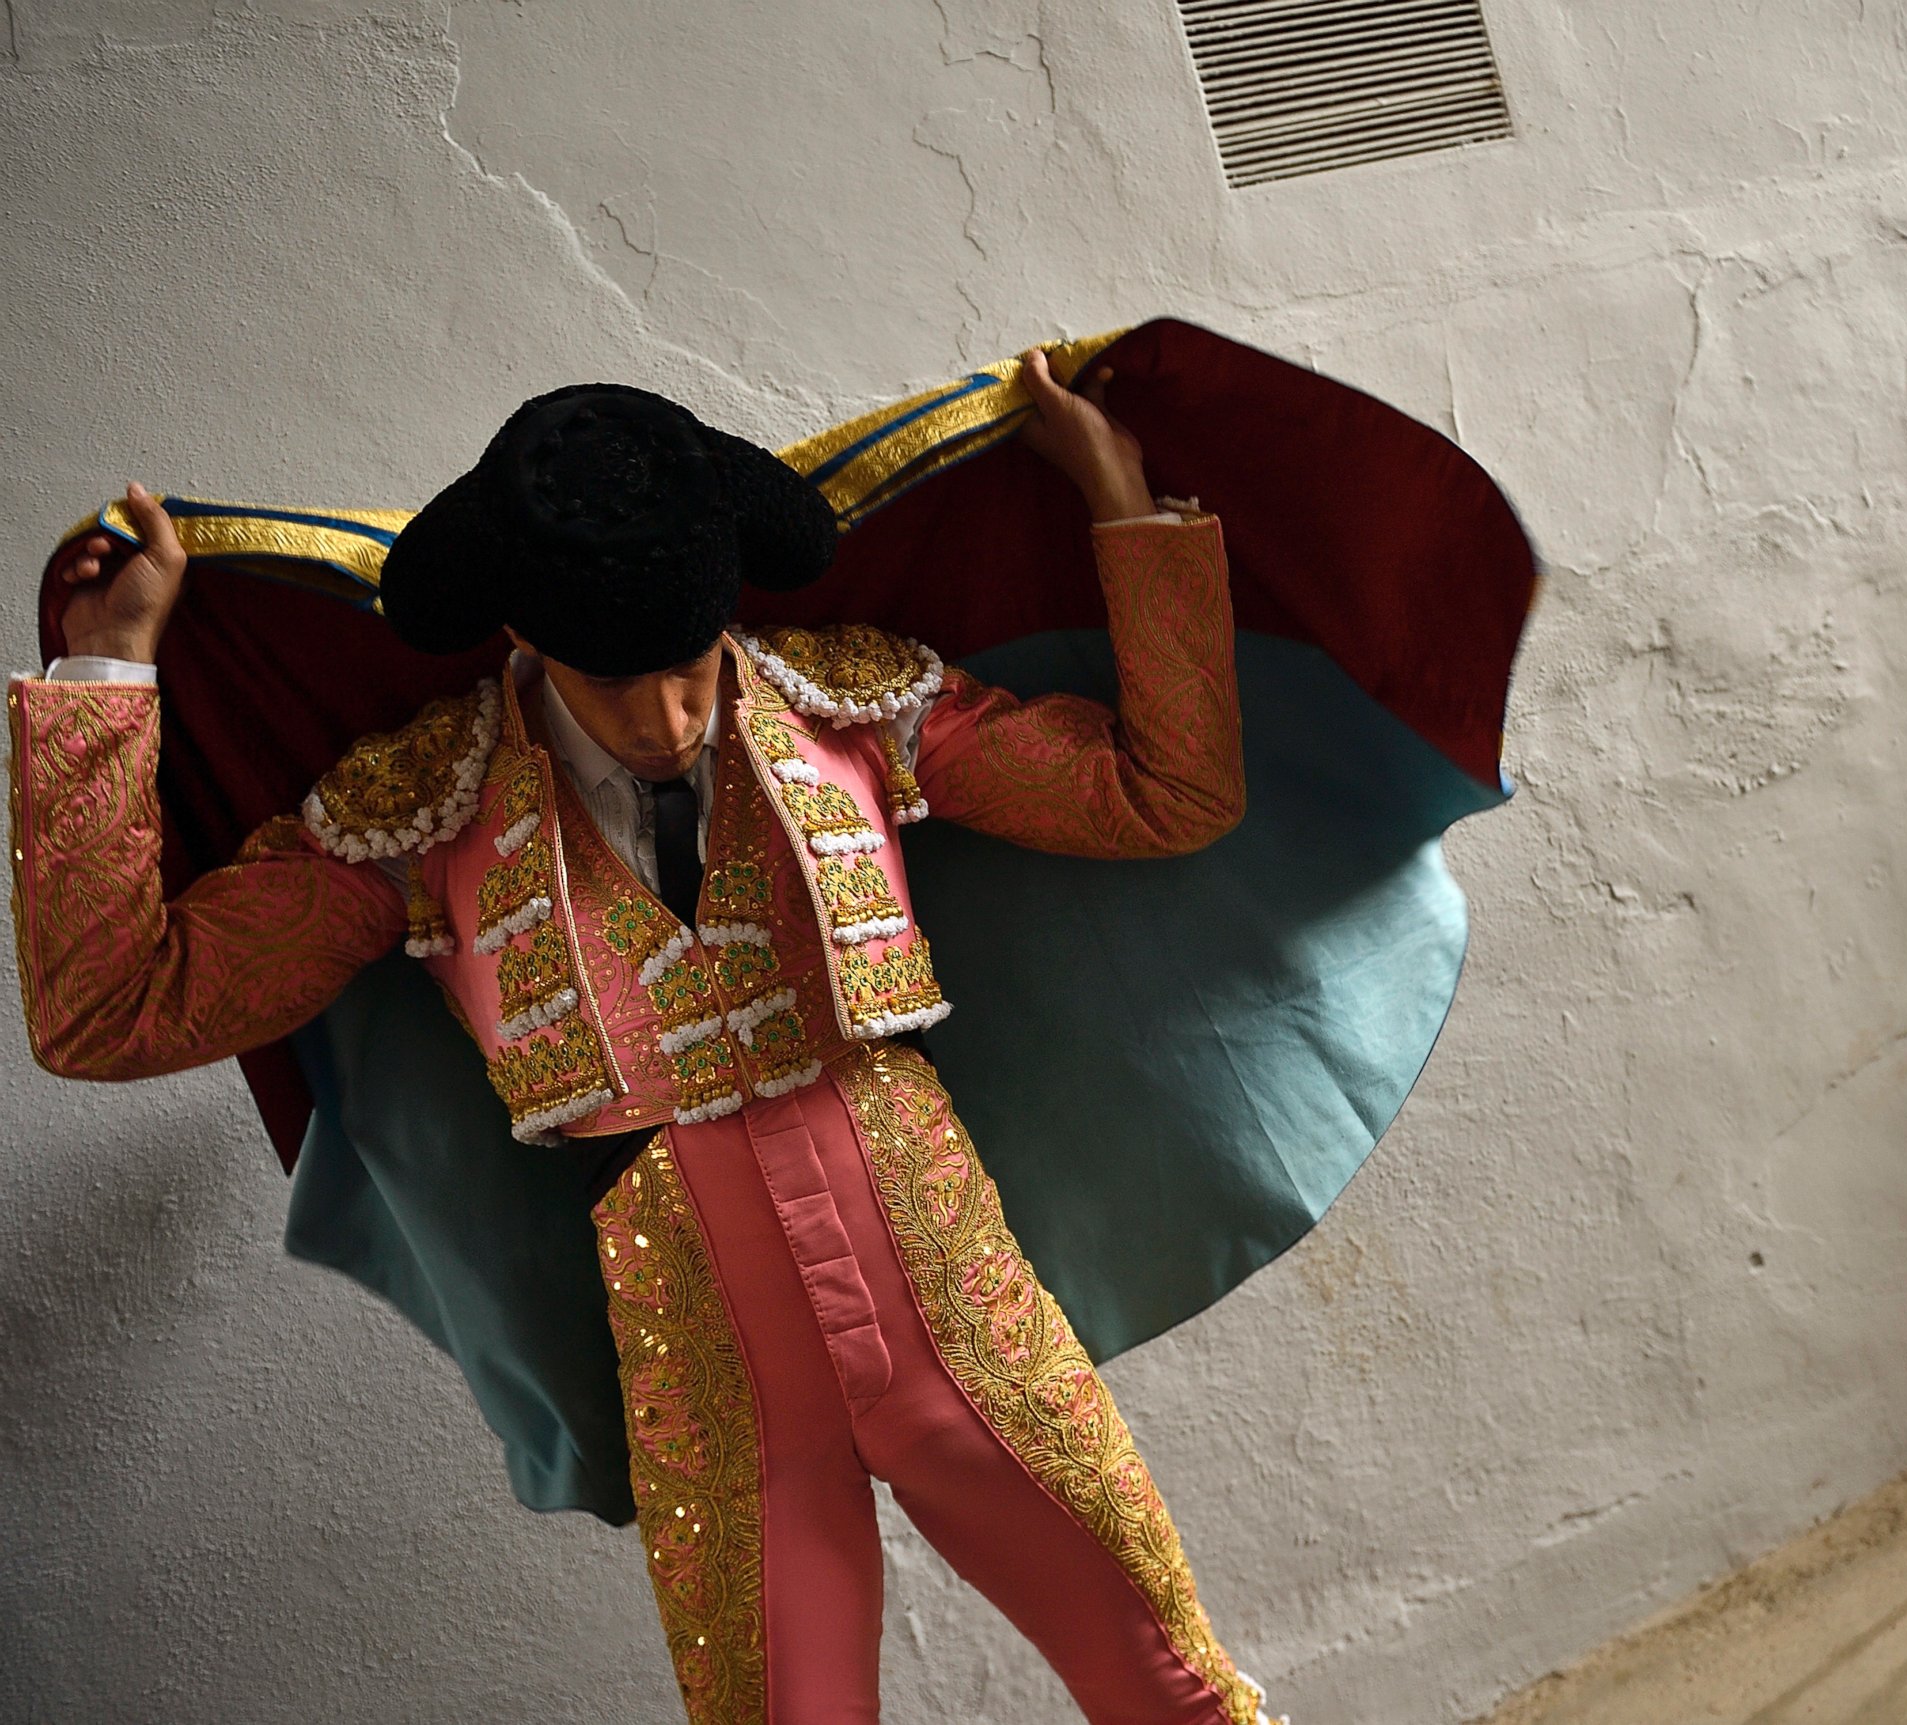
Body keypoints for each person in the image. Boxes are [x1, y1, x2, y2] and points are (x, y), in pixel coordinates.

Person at [16, 355, 1280, 1725]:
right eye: (617, 684)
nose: (672, 721)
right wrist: (105, 668)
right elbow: (112, 1016)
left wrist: (1124, 507)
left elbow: (1170, 793)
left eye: (692, 667)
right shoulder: (421, 808)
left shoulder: (850, 710)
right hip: (708, 1365)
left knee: (1176, 1692)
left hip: (954, 1300)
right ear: (524, 642)